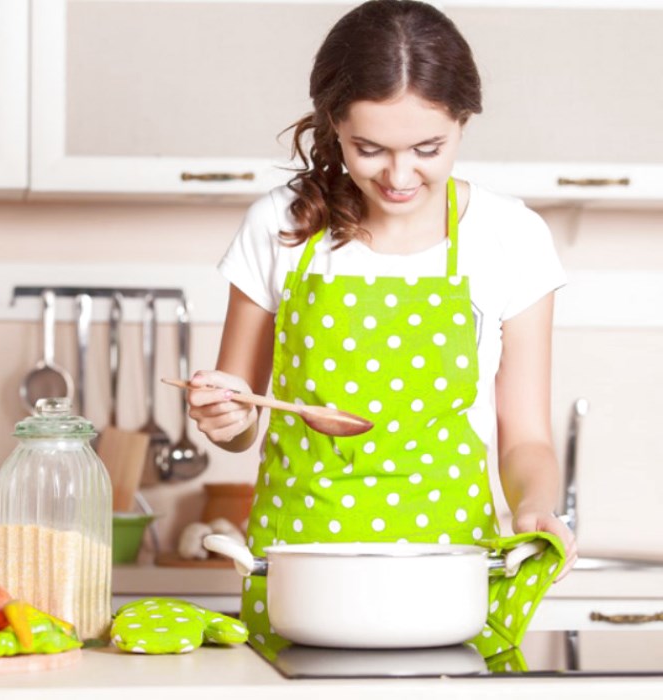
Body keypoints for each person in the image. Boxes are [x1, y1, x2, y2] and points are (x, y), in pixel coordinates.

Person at [185, 0, 578, 638]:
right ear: (333, 124)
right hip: (300, 568)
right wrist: (222, 415)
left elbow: (526, 437)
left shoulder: (512, 236)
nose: (399, 176)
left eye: (428, 148)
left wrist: (535, 506)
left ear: (463, 121)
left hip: (447, 570)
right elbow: (239, 420)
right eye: (369, 149)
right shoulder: (279, 224)